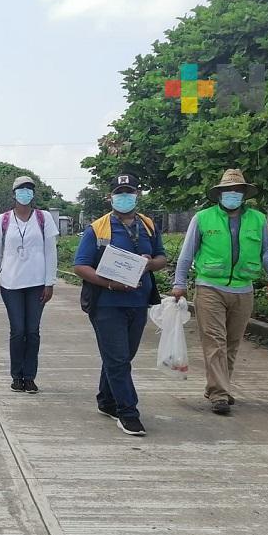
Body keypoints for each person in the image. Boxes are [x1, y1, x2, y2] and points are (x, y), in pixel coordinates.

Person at [171, 169, 268, 415]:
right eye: (227, 191)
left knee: (231, 344)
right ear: (219, 194)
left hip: (244, 289)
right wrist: (179, 283)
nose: (232, 195)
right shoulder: (202, 218)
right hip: (210, 286)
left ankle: (217, 387)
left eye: (237, 191)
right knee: (215, 342)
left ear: (244, 194)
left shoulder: (258, 219)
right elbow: (187, 253)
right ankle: (220, 394)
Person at [73, 174, 167, 436]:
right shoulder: (98, 228)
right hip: (107, 304)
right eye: (119, 193)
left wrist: (149, 263)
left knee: (122, 356)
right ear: (110, 197)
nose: (124, 197)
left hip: (138, 303)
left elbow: (162, 257)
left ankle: (106, 400)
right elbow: (81, 265)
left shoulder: (148, 226)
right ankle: (128, 413)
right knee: (118, 359)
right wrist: (111, 283)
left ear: (137, 195)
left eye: (129, 192)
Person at [0, 176, 59, 393]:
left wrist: (50, 282)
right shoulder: (3, 220)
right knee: (18, 330)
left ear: (34, 193)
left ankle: (30, 376)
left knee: (33, 331)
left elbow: (51, 251)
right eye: (21, 189)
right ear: (14, 194)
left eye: (29, 189)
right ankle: (17, 376)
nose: (25, 192)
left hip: (37, 283)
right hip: (11, 284)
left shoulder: (43, 218)